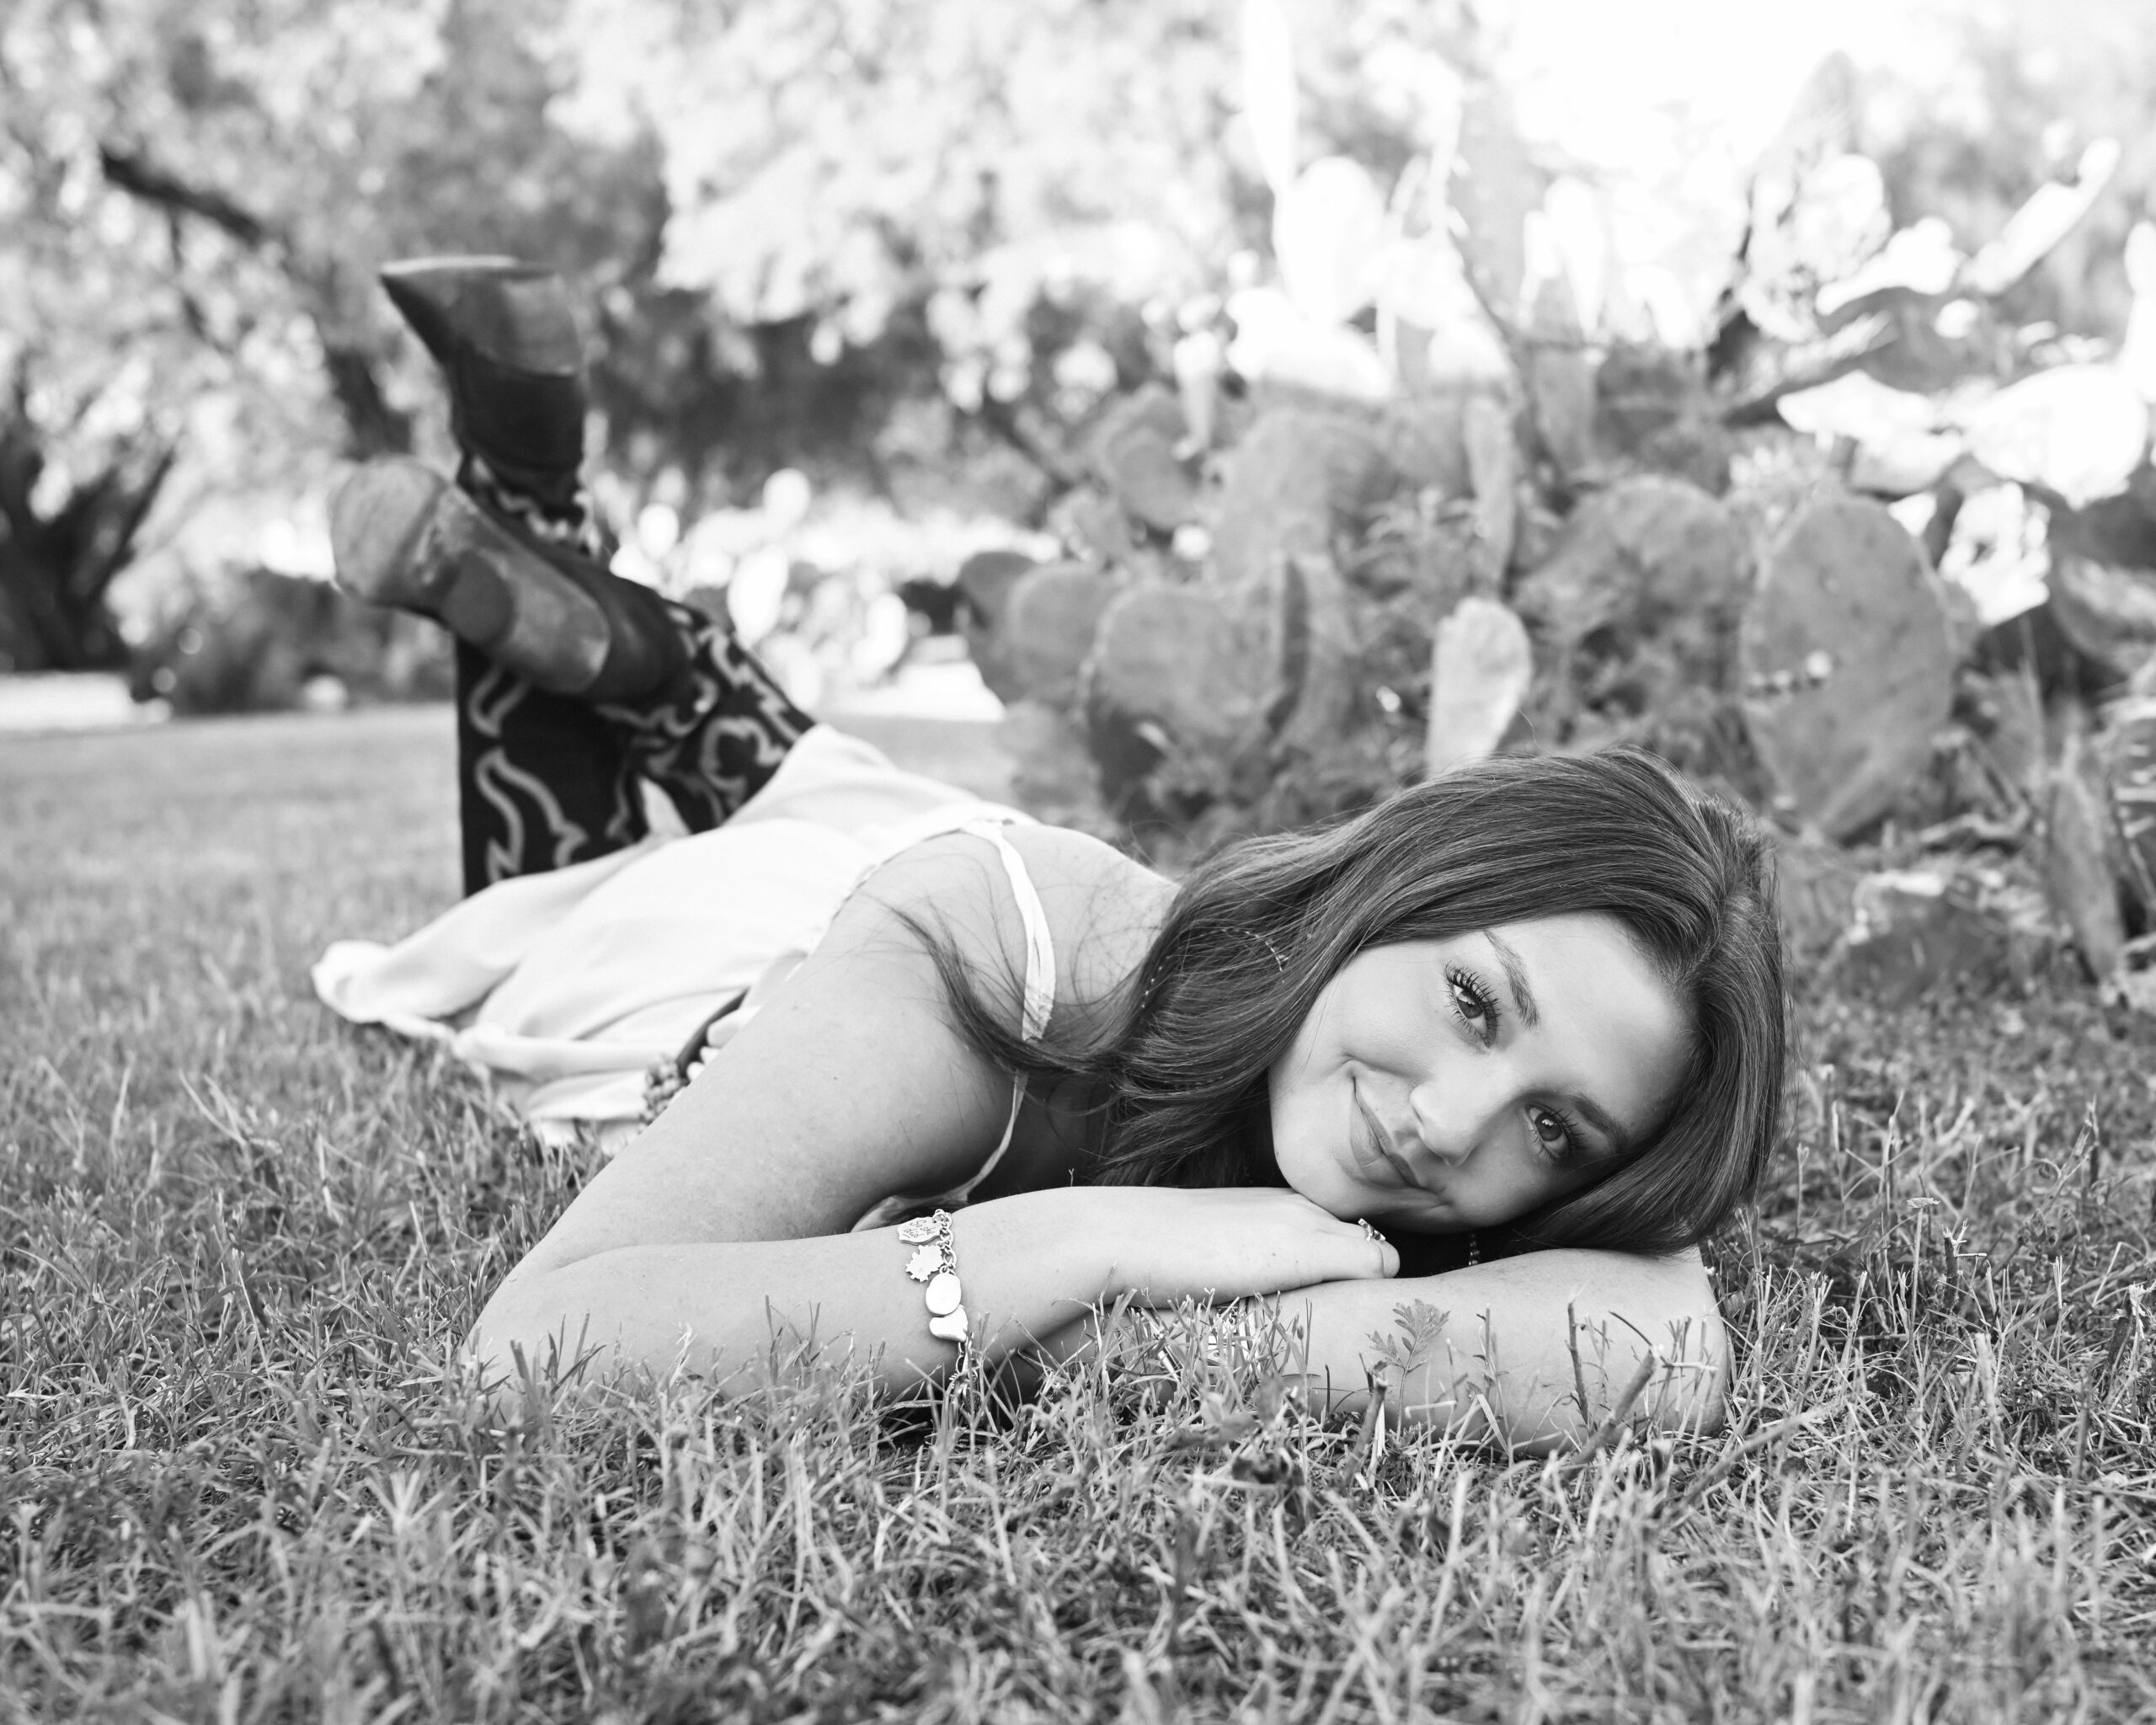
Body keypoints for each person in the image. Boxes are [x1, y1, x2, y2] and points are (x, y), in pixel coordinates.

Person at [320, 259, 1786, 1450]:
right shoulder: (1004, 966)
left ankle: (573, 553)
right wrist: (1088, 1248)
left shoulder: (1425, 1141)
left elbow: (1661, 1343)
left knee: (786, 766)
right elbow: (536, 1359)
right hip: (721, 956)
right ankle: (538, 483)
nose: (1456, 1124)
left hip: (892, 850)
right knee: (548, 881)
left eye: (1556, 1133)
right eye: (1474, 1002)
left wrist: (1210, 1337)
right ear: (1391, 889)